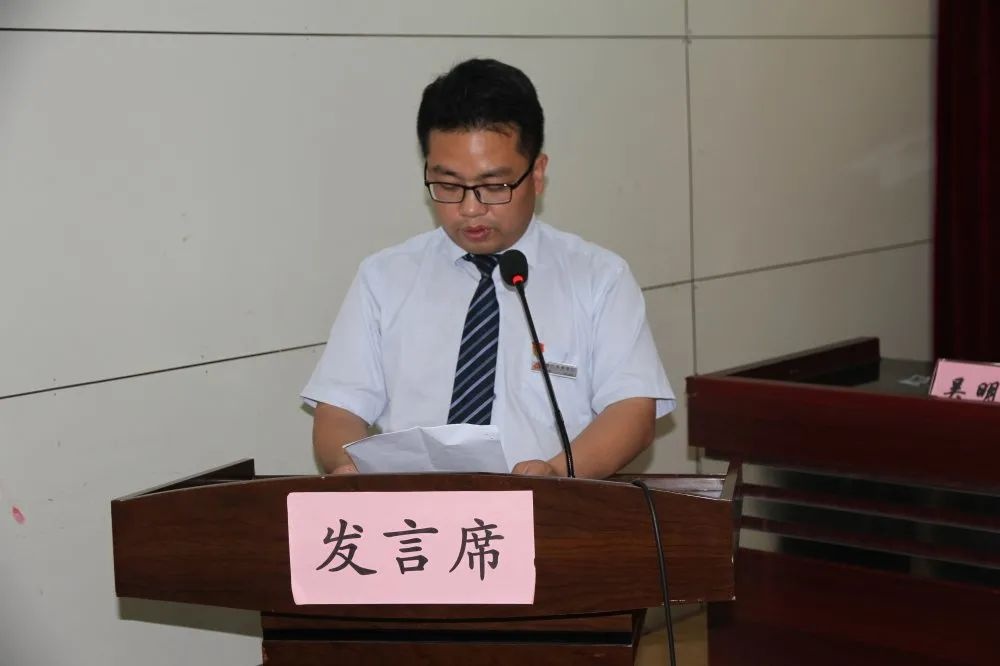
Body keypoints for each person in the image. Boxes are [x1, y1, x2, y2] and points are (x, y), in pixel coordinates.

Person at [302, 58, 674, 478]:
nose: (470, 208)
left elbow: (631, 409)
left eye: (494, 186)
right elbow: (339, 410)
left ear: (537, 174)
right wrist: (349, 468)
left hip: (549, 505)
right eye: (448, 185)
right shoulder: (384, 278)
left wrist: (555, 477)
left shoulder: (598, 278)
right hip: (414, 512)